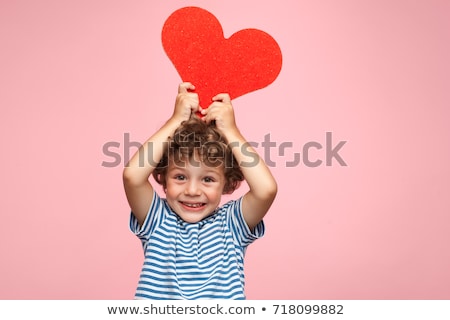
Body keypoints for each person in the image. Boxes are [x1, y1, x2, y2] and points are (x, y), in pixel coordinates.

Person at [123, 82, 277, 299]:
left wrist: (231, 131)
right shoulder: (157, 219)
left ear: (226, 182)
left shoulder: (231, 224)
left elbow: (266, 189)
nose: (193, 190)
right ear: (164, 178)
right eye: (180, 177)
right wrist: (175, 121)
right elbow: (132, 176)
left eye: (207, 179)